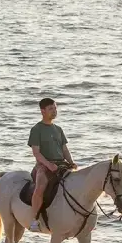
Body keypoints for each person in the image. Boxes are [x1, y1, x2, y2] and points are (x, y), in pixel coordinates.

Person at [27, 97, 76, 232]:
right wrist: (49, 165)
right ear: (43, 111)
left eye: (55, 108)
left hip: (61, 164)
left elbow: (65, 149)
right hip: (43, 166)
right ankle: (34, 220)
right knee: (40, 187)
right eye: (51, 109)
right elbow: (36, 153)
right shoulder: (37, 129)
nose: (54, 111)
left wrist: (71, 162)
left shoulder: (58, 129)